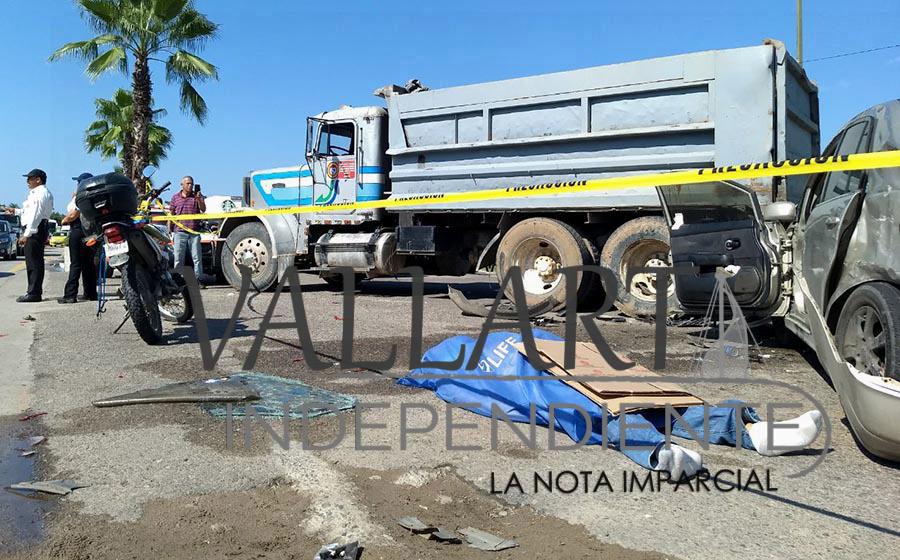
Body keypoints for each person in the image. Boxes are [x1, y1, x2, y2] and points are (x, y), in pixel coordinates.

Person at [402, 331, 825, 480]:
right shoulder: (459, 369)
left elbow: (461, 391)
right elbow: (499, 402)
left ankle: (754, 432)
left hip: (546, 365)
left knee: (640, 399)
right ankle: (659, 450)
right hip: (538, 379)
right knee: (587, 406)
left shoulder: (463, 361)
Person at [58, 173, 98, 304]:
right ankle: (91, 293)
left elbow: (74, 214)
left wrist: (64, 220)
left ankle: (70, 295)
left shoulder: (82, 196)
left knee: (76, 264)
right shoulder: (95, 195)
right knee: (88, 264)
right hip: (90, 233)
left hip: (78, 230)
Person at [17, 169, 54, 303]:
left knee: (34, 262)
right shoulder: (37, 193)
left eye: (30, 178)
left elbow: (36, 215)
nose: (27, 181)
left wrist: (27, 234)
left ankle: (34, 293)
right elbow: (29, 211)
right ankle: (33, 291)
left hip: (35, 229)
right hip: (37, 228)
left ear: (38, 179)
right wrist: (16, 211)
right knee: (33, 261)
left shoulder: (40, 193)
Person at [168, 175, 206, 284]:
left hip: (194, 232)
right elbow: (171, 214)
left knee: (197, 258)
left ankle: (199, 279)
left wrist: (199, 199)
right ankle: (177, 280)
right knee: (178, 258)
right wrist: (169, 229)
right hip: (179, 232)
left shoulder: (197, 196)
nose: (190, 186)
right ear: (182, 185)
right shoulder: (175, 197)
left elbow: (203, 209)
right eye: (188, 183)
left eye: (191, 184)